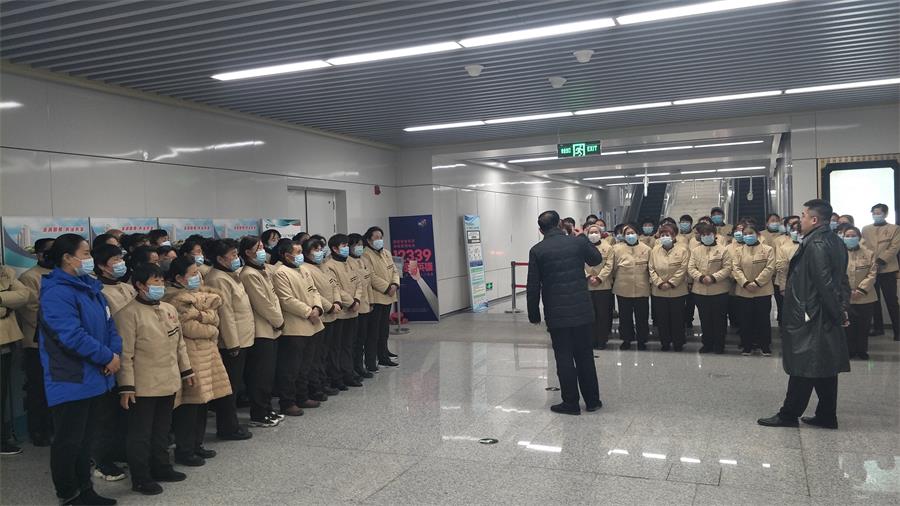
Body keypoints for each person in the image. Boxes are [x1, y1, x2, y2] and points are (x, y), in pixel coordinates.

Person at [39, 233, 121, 506]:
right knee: (69, 441)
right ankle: (68, 494)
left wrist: (114, 354)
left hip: (96, 374)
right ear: (67, 258)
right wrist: (106, 357)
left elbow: (110, 327)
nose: (90, 259)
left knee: (87, 439)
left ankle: (86, 489)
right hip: (70, 377)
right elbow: (71, 336)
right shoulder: (56, 293)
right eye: (85, 254)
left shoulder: (91, 288)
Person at [759, 199, 850, 430]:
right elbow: (841, 280)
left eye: (804, 215)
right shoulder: (834, 240)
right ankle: (827, 415)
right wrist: (841, 309)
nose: (801, 219)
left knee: (803, 365)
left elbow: (825, 283)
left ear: (814, 219)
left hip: (812, 314)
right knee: (824, 365)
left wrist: (837, 312)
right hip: (822, 312)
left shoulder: (816, 243)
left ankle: (788, 414)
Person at [115, 263, 193, 495]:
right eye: (154, 281)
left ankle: (162, 467)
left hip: (168, 379)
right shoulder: (127, 314)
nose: (160, 285)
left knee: (162, 429)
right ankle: (141, 477)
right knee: (140, 434)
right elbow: (125, 354)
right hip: (143, 385)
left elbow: (179, 344)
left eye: (161, 280)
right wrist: (126, 387)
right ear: (140, 285)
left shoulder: (168, 308)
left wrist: (187, 370)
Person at [526, 211, 602, 415]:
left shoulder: (537, 250)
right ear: (560, 224)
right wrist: (582, 237)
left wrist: (534, 314)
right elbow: (596, 259)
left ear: (540, 230)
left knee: (564, 357)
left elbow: (533, 285)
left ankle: (570, 403)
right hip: (582, 310)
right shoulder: (577, 243)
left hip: (557, 313)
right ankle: (593, 401)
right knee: (585, 356)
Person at [163, 257, 230, 467]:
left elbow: (215, 317)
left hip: (207, 354)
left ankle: (197, 444)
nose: (198, 277)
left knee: (203, 402)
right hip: (191, 356)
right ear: (179, 278)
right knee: (189, 406)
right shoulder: (175, 300)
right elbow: (188, 328)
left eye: (198, 273)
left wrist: (204, 318)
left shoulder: (203, 295)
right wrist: (211, 328)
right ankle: (185, 449)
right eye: (192, 274)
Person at [91, 244, 137, 481]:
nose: (121, 263)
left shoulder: (127, 287)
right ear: (101, 265)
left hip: (130, 354)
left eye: (121, 258)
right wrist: (110, 355)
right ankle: (102, 461)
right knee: (105, 414)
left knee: (124, 410)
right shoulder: (98, 291)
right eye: (115, 260)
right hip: (110, 357)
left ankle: (120, 450)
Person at [201, 239, 253, 441]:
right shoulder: (217, 278)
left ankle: (232, 424)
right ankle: (228, 427)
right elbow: (226, 313)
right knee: (229, 386)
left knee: (235, 384)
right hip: (232, 341)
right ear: (220, 258)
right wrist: (232, 344)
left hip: (243, 336)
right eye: (232, 255)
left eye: (236, 253)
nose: (236, 258)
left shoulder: (230, 274)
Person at [271, 239, 326, 417]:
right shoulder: (280, 273)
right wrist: (309, 312)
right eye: (298, 252)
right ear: (287, 255)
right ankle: (287, 402)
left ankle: (302, 396)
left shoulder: (303, 269)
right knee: (290, 368)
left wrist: (317, 308)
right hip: (295, 327)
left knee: (305, 365)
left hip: (312, 324)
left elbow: (314, 291)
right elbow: (286, 300)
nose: (301, 255)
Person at [237, 236, 286, 428]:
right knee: (260, 375)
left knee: (268, 375)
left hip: (271, 327)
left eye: (262, 247)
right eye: (258, 248)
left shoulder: (262, 269)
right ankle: (258, 413)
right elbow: (262, 303)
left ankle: (266, 409)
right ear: (247, 252)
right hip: (261, 330)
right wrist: (279, 321)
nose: (262, 251)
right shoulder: (248, 274)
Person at [16, 238, 55, 447]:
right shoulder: (29, 277)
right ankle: (38, 430)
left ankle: (52, 426)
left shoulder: (62, 274)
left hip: (60, 345)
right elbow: (31, 311)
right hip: (37, 343)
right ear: (39, 254)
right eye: (49, 251)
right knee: (38, 390)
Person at [302, 237, 345, 392]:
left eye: (321, 249)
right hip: (321, 315)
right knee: (318, 354)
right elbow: (314, 293)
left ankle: (329, 379)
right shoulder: (305, 269)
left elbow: (335, 286)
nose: (320, 252)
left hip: (334, 313)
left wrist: (338, 302)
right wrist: (329, 306)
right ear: (307, 253)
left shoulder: (324, 266)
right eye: (316, 250)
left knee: (330, 350)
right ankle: (318, 384)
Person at [324, 234, 364, 388]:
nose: (347, 248)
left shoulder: (349, 262)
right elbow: (336, 288)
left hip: (354, 309)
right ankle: (337, 376)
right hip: (341, 312)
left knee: (349, 344)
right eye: (344, 246)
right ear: (334, 248)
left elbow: (358, 283)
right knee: (337, 347)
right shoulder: (329, 265)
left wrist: (357, 299)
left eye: (347, 245)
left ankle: (349, 373)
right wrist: (351, 302)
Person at [1, 264, 31, 455]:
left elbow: (24, 295)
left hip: (6, 344)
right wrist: (5, 308)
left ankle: (2, 439)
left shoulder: (6, 272)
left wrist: (1, 299)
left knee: (2, 393)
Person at [732, 224, 776, 356]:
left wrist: (757, 283)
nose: (748, 236)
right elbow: (736, 268)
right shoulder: (738, 251)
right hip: (744, 290)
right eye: (745, 234)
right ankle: (747, 345)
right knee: (745, 320)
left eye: (750, 233)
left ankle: (764, 345)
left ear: (757, 234)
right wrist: (745, 283)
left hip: (763, 291)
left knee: (763, 319)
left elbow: (770, 268)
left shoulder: (768, 249)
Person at [689, 223, 733, 354]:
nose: (706, 236)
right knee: (705, 319)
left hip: (719, 290)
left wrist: (713, 278)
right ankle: (707, 344)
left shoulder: (723, 250)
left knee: (719, 319)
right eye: (703, 234)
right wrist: (701, 277)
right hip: (700, 290)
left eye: (709, 234)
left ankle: (719, 344)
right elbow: (691, 268)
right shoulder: (696, 251)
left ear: (714, 235)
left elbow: (727, 268)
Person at [861, 203, 900, 341]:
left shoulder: (895, 229)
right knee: (874, 300)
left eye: (878, 213)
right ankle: (878, 328)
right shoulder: (866, 229)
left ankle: (898, 331)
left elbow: (894, 247)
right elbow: (863, 247)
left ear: (885, 214)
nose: (876, 215)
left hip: (887, 270)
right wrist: (871, 263)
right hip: (871, 271)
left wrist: (880, 261)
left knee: (892, 301)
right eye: (874, 213)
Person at [363, 226, 400, 368]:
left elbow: (394, 270)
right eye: (376, 237)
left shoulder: (386, 253)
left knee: (384, 329)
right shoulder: (366, 255)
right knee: (374, 331)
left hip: (389, 296)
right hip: (377, 297)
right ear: (369, 240)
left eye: (381, 237)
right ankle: (371, 361)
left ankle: (383, 356)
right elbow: (371, 276)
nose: (379, 240)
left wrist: (395, 284)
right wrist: (387, 288)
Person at [610, 224, 652, 350]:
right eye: (627, 234)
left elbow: (650, 268)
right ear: (623, 236)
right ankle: (626, 339)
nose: (630, 235)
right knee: (625, 316)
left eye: (632, 233)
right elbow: (613, 268)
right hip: (623, 288)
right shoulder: (616, 249)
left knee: (642, 316)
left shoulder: (646, 249)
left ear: (637, 234)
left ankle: (642, 340)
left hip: (641, 287)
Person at [649, 224, 690, 351]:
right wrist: (659, 283)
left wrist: (671, 283)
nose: (664, 237)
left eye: (667, 235)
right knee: (662, 318)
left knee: (677, 318)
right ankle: (665, 342)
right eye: (662, 235)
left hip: (677, 290)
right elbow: (651, 268)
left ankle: (678, 342)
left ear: (673, 236)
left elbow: (683, 268)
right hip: (659, 290)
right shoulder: (655, 250)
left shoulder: (683, 250)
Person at [843, 227, 877, 360]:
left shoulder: (869, 253)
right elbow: (836, 274)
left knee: (864, 326)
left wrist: (860, 290)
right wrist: (847, 291)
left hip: (865, 297)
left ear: (859, 237)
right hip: (846, 297)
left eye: (853, 235)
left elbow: (872, 274)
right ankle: (850, 350)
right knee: (848, 326)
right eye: (847, 235)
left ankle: (862, 350)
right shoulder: (839, 254)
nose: (850, 238)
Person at [347, 233, 374, 378]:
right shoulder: (347, 262)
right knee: (354, 340)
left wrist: (371, 301)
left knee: (362, 338)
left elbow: (368, 283)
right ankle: (353, 368)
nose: (360, 247)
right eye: (356, 245)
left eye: (361, 245)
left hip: (365, 305)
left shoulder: (363, 260)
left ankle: (359, 366)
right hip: (354, 306)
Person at [584, 223, 614, 349]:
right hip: (587, 286)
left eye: (596, 232)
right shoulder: (582, 247)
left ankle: (602, 340)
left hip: (603, 286)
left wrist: (599, 278)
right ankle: (591, 340)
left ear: (601, 234)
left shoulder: (608, 247)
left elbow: (609, 265)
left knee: (602, 315)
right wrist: (588, 276)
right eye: (591, 232)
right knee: (589, 315)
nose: (593, 234)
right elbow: (579, 263)